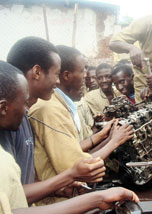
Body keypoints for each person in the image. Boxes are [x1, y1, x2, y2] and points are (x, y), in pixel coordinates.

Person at [0, 60, 139, 213]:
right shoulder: (46, 110)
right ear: (3, 108)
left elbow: (16, 196)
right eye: (25, 103)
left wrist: (59, 186)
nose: (28, 110)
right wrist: (94, 198)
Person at [5, 37, 110, 205]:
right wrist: (70, 176)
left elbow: (22, 184)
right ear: (37, 72)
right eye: (56, 74)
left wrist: (58, 188)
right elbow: (11, 196)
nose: (58, 81)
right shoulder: (11, 123)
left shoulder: (22, 115)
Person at [29, 45, 134, 205]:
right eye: (83, 71)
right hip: (56, 202)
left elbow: (78, 149)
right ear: (67, 76)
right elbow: (77, 166)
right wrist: (114, 142)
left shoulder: (63, 105)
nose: (87, 77)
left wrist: (106, 137)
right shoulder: (49, 108)